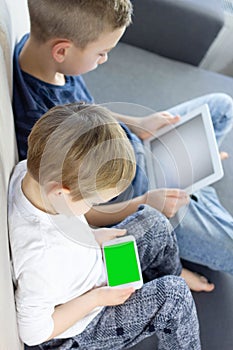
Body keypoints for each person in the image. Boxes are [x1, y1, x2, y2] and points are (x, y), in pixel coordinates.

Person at [13, 0, 233, 276]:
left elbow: (89, 113)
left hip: (140, 148)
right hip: (136, 194)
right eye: (102, 53)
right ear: (62, 50)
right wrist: (145, 203)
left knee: (222, 107)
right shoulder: (38, 123)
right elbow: (78, 212)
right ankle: (195, 193)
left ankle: (196, 185)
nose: (104, 60)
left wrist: (139, 123)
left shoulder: (45, 58)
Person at [8, 103, 201, 349]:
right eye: (91, 201)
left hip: (90, 271)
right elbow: (34, 333)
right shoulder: (41, 258)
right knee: (174, 296)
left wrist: (92, 236)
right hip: (81, 328)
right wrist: (97, 298)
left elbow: (60, 222)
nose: (91, 208)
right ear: (61, 193)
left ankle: (165, 284)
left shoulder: (33, 171)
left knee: (154, 222)